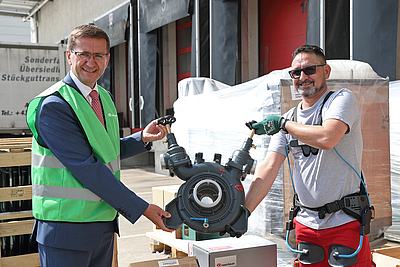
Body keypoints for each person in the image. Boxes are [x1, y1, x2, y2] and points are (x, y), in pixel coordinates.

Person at [26, 24, 173, 267]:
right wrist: (143, 208)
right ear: (69, 55)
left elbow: (104, 150)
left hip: (102, 225)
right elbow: (87, 167)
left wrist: (142, 139)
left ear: (107, 59)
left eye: (98, 55)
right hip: (66, 231)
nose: (90, 62)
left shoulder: (103, 98)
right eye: (83, 54)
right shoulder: (53, 105)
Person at [245, 45, 372, 266]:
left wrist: (283, 125)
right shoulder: (290, 117)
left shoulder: (341, 100)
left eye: (310, 70)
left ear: (326, 71)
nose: (303, 77)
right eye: (296, 73)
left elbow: (327, 138)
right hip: (305, 225)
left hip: (344, 222)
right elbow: (269, 168)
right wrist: (243, 213)